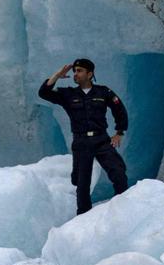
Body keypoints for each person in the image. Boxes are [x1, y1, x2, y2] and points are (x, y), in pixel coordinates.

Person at [38, 58, 129, 214]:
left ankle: (123, 210)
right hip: (81, 142)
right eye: (75, 71)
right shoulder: (67, 94)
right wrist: (58, 75)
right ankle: (83, 217)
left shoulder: (103, 92)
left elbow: (119, 109)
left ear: (90, 73)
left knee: (118, 172)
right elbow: (43, 93)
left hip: (102, 140)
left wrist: (119, 132)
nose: (76, 74)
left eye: (79, 71)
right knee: (82, 183)